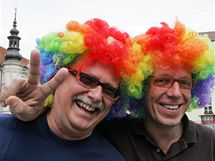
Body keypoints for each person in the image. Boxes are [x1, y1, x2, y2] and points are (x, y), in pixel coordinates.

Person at [1, 20, 215, 161]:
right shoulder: (114, 133)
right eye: (86, 78)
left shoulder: (111, 149)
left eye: (185, 83)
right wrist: (35, 108)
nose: (95, 95)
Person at [0, 18, 138, 161]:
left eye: (109, 90)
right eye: (87, 79)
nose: (96, 96)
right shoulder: (3, 133)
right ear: (56, 73)